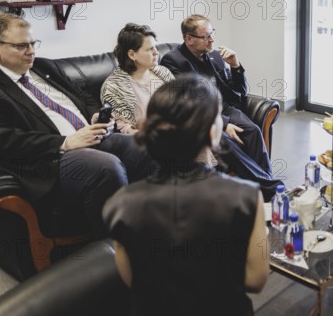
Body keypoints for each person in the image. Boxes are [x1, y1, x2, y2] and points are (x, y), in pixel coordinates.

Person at [0, 13, 154, 239]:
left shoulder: (44, 67)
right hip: (50, 157)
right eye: (21, 46)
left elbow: (85, 97)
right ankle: (119, 249)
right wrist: (66, 142)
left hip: (92, 137)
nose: (31, 51)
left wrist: (96, 115)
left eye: (32, 43)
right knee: (105, 167)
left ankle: (152, 224)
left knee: (145, 146)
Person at [102, 74, 269, 316]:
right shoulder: (247, 197)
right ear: (213, 133)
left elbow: (131, 278)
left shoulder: (121, 204)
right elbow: (256, 278)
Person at [108, 22, 281, 200]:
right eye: (150, 49)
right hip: (156, 136)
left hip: (182, 126)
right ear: (132, 54)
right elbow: (123, 128)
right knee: (213, 137)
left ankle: (266, 190)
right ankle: (270, 190)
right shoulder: (115, 86)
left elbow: (185, 103)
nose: (156, 53)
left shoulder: (161, 72)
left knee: (226, 135)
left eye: (155, 47)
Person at [160, 15, 274, 178]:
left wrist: (235, 66)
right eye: (206, 36)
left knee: (253, 131)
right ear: (189, 39)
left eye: (212, 33)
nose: (212, 39)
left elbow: (238, 95)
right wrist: (223, 123)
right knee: (230, 142)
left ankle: (266, 183)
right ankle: (266, 188)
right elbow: (187, 102)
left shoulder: (215, 56)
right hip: (203, 115)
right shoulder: (173, 61)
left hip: (225, 108)